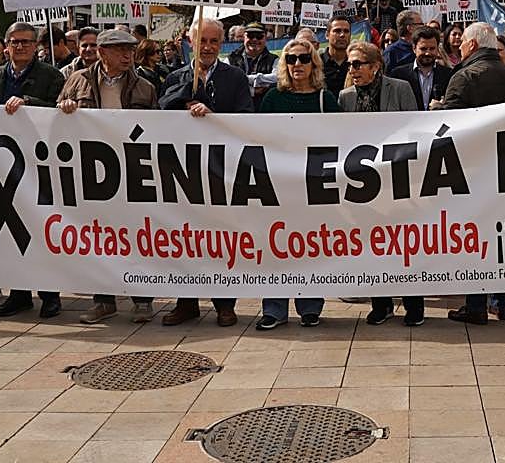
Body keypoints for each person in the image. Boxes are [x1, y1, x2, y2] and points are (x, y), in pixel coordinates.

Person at [0, 22, 66, 319]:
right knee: (13, 232)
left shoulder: (50, 76)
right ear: (6, 45)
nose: (20, 47)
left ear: (36, 46)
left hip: (40, 164)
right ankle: (19, 293)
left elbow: (59, 112)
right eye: (15, 42)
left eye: (26, 42)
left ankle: (50, 295)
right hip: (5, 166)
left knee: (42, 228)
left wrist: (29, 103)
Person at [58, 29, 159, 324]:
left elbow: (158, 129)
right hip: (93, 172)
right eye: (119, 50)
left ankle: (142, 300)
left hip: (132, 171)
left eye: (130, 49)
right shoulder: (77, 82)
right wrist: (65, 108)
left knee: (137, 237)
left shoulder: (144, 87)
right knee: (100, 238)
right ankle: (103, 300)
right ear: (102, 53)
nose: (128, 55)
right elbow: (54, 121)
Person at [158, 18, 253, 327]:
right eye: (202, 41)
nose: (208, 47)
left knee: (221, 238)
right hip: (184, 171)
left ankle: (225, 303)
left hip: (221, 171)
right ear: (190, 41)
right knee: (185, 237)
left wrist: (213, 117)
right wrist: (186, 95)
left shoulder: (235, 77)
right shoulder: (176, 76)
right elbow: (160, 111)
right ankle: (186, 302)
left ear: (222, 44)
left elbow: (246, 118)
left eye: (214, 41)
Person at [442, 23, 505, 325]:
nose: (459, 47)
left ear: (473, 45)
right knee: (501, 237)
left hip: (472, 170)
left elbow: (450, 123)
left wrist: (438, 108)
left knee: (475, 239)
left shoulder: (464, 76)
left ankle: (475, 306)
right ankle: (501, 303)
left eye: (462, 42)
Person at [338, 41, 422, 326]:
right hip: (365, 184)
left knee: (406, 243)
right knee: (373, 245)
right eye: (350, 64)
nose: (352, 69)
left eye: (358, 64)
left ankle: (414, 305)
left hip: (398, 178)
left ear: (375, 66)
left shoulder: (400, 89)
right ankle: (381, 304)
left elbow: (415, 129)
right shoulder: (345, 97)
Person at [256, 40, 338, 330]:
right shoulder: (272, 98)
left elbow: (343, 138)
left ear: (314, 63)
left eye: (304, 58)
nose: (297, 64)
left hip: (313, 186)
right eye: (291, 59)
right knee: (276, 246)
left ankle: (310, 307)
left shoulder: (324, 99)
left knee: (311, 247)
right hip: (278, 186)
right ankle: (274, 308)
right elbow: (258, 138)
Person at [389, 26, 452, 111]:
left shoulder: (448, 75)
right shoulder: (398, 74)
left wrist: (443, 106)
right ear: (414, 48)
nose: (427, 53)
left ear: (437, 49)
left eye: (432, 49)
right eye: (423, 49)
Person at [229, 22, 277, 100]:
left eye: (259, 36)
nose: (254, 39)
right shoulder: (231, 59)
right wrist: (252, 91)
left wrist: (247, 79)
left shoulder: (274, 59)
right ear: (244, 37)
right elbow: (226, 81)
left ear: (265, 39)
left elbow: (277, 78)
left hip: (263, 108)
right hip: (236, 108)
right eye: (250, 36)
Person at [321, 17, 352, 97]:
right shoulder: (316, 63)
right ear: (327, 35)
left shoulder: (357, 63)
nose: (342, 35)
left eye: (346, 31)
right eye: (337, 31)